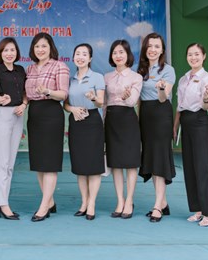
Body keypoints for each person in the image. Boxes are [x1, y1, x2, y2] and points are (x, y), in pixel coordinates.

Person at [24, 32, 69, 222]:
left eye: (44, 46)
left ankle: (44, 206)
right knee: (39, 162)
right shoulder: (29, 68)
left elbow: (64, 94)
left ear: (51, 47)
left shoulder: (60, 66)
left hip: (51, 113)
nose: (40, 49)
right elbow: (26, 94)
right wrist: (22, 103)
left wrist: (48, 91)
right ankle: (49, 201)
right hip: (34, 114)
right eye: (37, 46)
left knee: (49, 162)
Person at [174, 43, 208, 227]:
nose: (193, 58)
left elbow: (207, 105)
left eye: (197, 54)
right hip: (185, 121)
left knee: (203, 167)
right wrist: (175, 126)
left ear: (204, 56)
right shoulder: (183, 79)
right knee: (190, 167)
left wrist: (207, 100)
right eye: (190, 54)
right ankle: (198, 209)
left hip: (200, 121)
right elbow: (179, 105)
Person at [137, 32, 176, 223]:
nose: (153, 49)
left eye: (157, 46)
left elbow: (163, 97)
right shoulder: (141, 70)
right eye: (150, 46)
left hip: (161, 115)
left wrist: (161, 89)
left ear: (162, 50)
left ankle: (157, 206)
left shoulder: (168, 70)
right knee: (152, 159)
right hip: (145, 115)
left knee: (160, 159)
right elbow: (138, 99)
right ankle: (163, 203)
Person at [0, 38, 27, 221]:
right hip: (1, 115)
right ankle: (2, 203)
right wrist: (2, 99)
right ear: (0, 53)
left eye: (12, 50)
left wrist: (24, 104)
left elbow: (25, 93)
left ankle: (4, 200)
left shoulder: (20, 70)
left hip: (18, 115)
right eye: (5, 50)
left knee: (10, 162)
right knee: (2, 161)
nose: (9, 53)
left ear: (17, 52)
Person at [63, 43, 105, 221]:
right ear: (73, 57)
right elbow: (65, 104)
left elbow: (101, 102)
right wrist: (72, 109)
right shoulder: (70, 80)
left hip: (93, 121)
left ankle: (92, 203)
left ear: (90, 58)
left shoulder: (97, 77)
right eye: (77, 54)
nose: (80, 57)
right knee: (80, 166)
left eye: (84, 54)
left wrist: (93, 98)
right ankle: (84, 202)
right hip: (76, 122)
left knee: (93, 166)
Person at [103, 39, 142, 219]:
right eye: (115, 52)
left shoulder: (136, 77)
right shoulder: (106, 77)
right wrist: (103, 123)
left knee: (131, 163)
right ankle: (120, 200)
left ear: (128, 55)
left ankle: (129, 200)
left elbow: (133, 102)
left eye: (121, 52)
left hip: (128, 119)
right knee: (116, 163)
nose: (118, 55)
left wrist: (127, 97)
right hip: (111, 120)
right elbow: (104, 104)